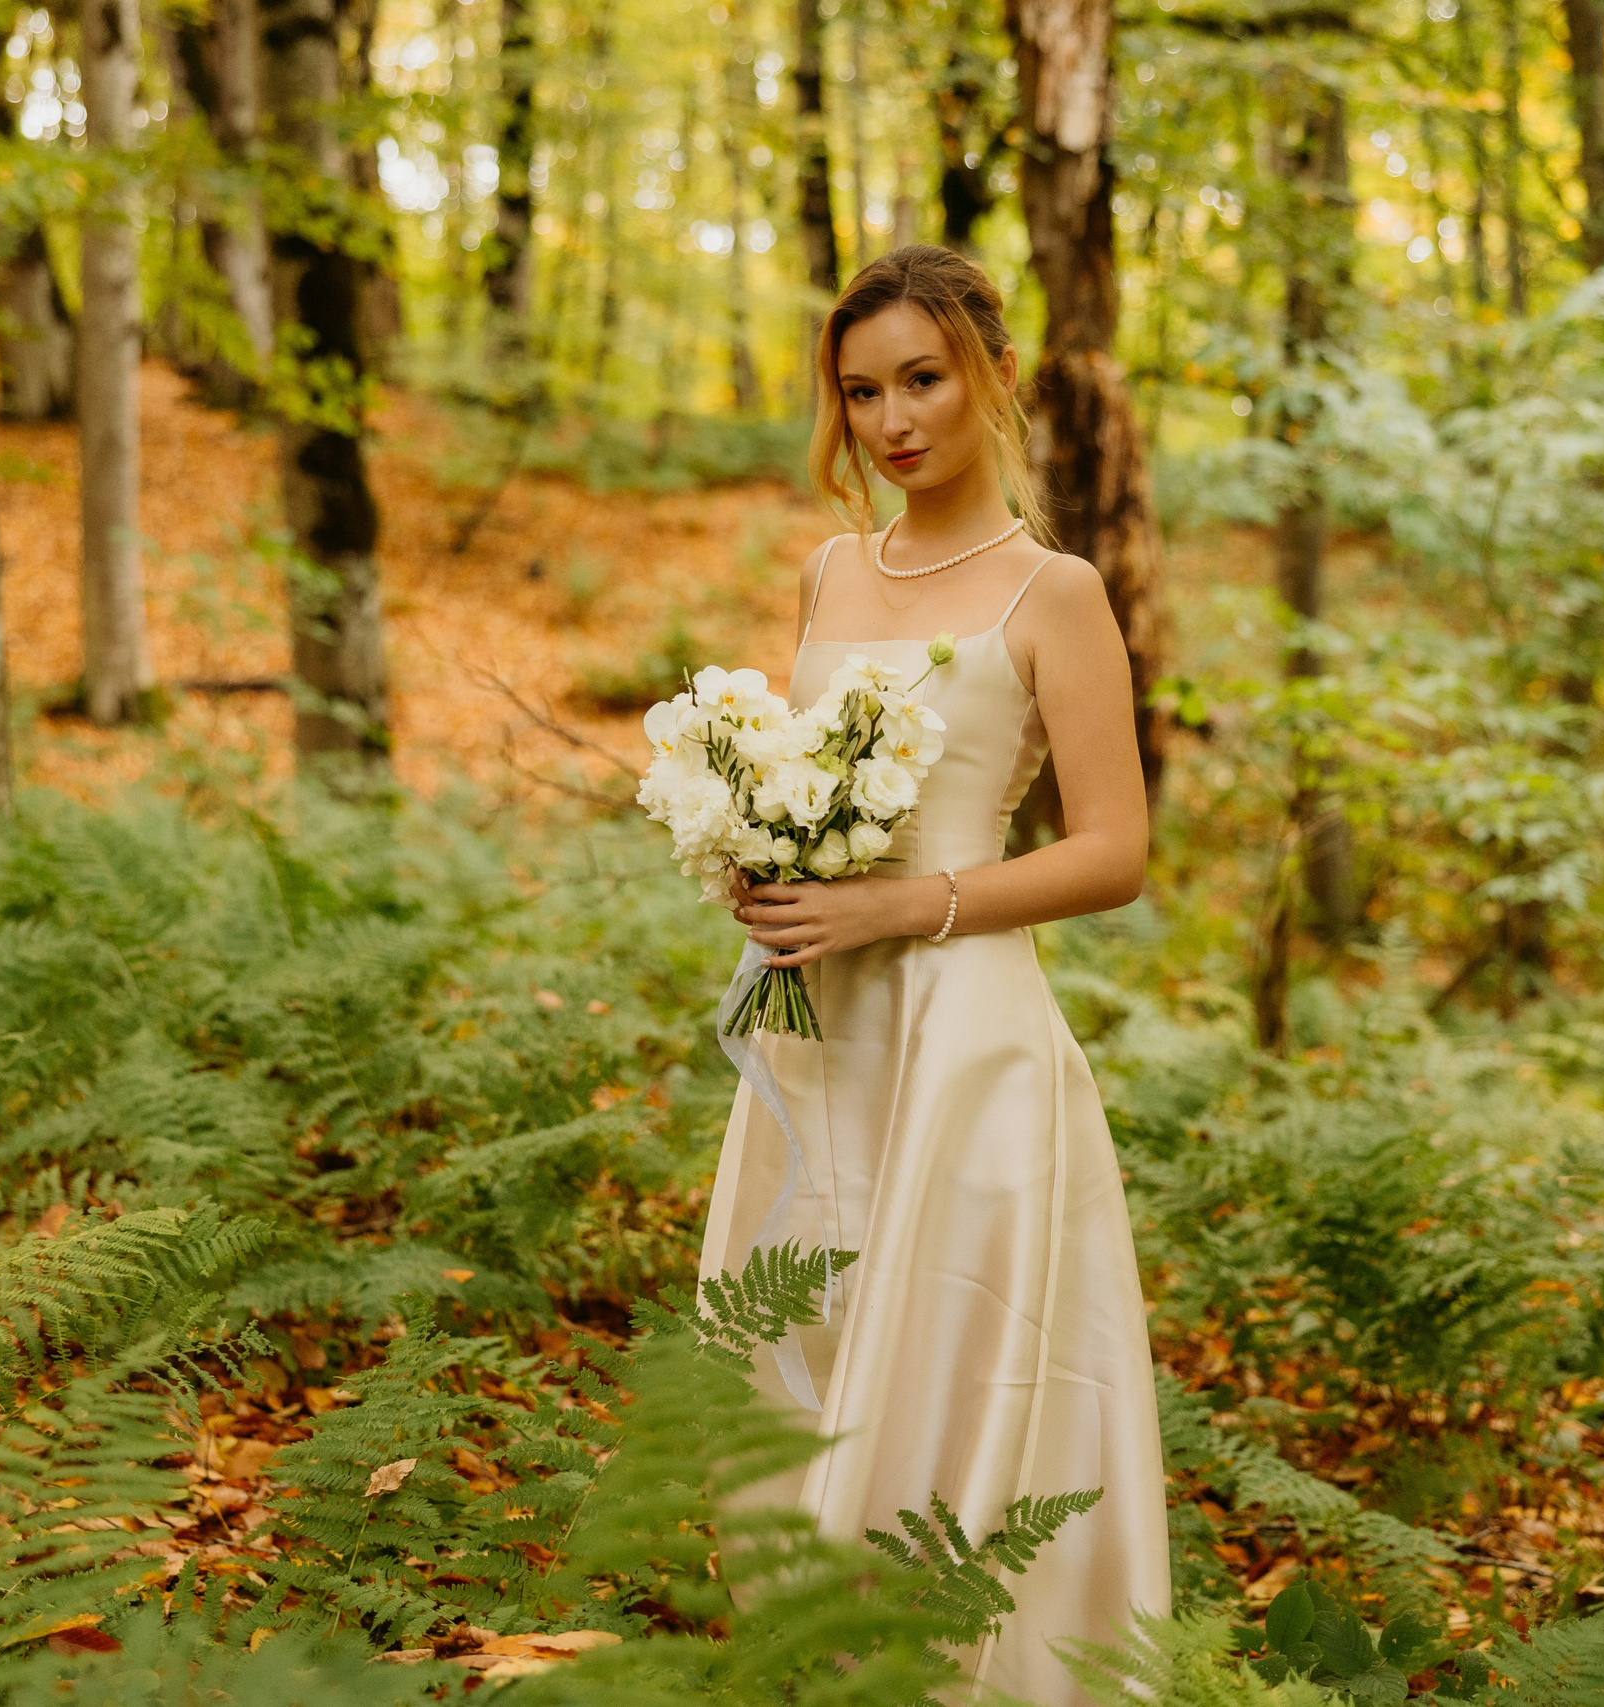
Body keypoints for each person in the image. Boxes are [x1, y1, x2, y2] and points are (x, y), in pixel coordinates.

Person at [698, 243, 1171, 1699]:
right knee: (808, 1335)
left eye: (923, 379)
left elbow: (1115, 852)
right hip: (818, 1029)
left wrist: (908, 906)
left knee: (954, 1358)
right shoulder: (833, 569)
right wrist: (760, 854)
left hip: (964, 1039)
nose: (893, 420)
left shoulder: (1053, 591)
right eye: (862, 393)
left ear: (993, 376)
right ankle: (825, 1662)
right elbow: (808, 780)